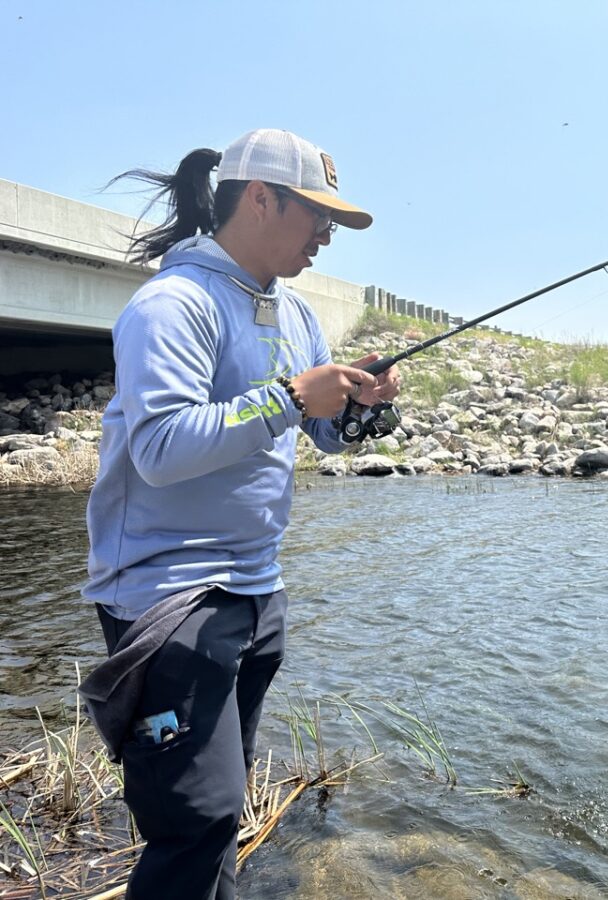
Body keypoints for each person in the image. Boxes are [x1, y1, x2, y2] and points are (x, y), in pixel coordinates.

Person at [78, 128, 397, 900]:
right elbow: (158, 446)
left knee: (222, 816)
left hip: (256, 594)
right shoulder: (172, 304)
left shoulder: (295, 313)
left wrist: (362, 411)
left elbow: (321, 434)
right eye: (317, 215)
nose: (326, 234)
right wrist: (290, 396)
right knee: (195, 822)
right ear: (261, 198)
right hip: (169, 601)